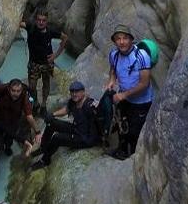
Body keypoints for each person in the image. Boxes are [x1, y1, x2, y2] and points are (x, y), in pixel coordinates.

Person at [105, 24, 154, 160]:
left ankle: (133, 157)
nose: (121, 42)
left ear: (131, 39)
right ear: (115, 41)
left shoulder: (141, 56)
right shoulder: (114, 55)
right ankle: (121, 150)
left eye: (125, 38)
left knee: (135, 132)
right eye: (118, 39)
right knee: (121, 126)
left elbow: (145, 83)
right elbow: (113, 70)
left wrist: (123, 95)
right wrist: (111, 81)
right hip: (125, 99)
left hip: (142, 102)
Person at [30, 80, 99, 170]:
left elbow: (100, 116)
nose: (74, 94)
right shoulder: (73, 101)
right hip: (77, 129)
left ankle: (45, 160)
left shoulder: (89, 105)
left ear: (83, 92)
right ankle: (43, 147)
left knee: (57, 138)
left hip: (86, 138)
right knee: (51, 123)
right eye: (72, 92)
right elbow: (66, 110)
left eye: (77, 91)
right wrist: (52, 115)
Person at [23, 11, 68, 115]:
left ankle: (43, 105)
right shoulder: (30, 27)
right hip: (34, 62)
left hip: (47, 63)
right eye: (39, 20)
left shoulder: (50, 31)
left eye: (43, 20)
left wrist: (55, 55)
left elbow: (65, 38)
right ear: (36, 20)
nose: (41, 22)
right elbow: (18, 23)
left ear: (47, 21)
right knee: (32, 86)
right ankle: (36, 104)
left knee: (46, 83)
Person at [0, 80, 38, 157]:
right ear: (9, 89)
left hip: (13, 120)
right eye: (13, 91)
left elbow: (29, 116)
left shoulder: (24, 96)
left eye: (18, 91)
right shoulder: (1, 89)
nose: (16, 94)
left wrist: (37, 132)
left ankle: (7, 147)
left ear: (21, 90)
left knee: (10, 136)